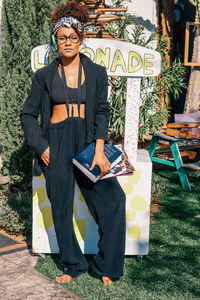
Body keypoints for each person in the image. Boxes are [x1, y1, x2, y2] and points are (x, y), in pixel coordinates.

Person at [21, 1, 126, 286]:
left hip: (88, 141)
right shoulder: (43, 76)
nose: (67, 42)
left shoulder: (96, 73)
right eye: (61, 37)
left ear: (81, 38)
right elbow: (28, 115)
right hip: (56, 141)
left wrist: (101, 148)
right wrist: (41, 145)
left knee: (114, 200)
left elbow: (103, 111)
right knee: (62, 207)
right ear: (56, 40)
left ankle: (108, 266)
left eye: (72, 36)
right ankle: (73, 264)